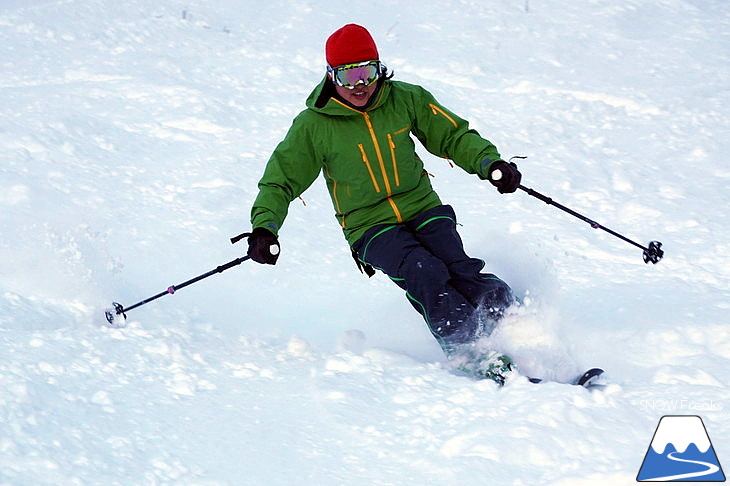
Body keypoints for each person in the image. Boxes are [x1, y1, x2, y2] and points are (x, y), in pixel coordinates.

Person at [242, 24, 523, 383]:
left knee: (460, 270)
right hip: (369, 226)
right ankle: (470, 351)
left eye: (367, 72)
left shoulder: (406, 98)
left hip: (422, 206)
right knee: (425, 271)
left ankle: (520, 329)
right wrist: (265, 227)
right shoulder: (313, 125)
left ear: (379, 68)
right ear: (331, 76)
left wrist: (490, 164)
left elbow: (452, 135)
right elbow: (280, 179)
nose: (360, 85)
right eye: (349, 75)